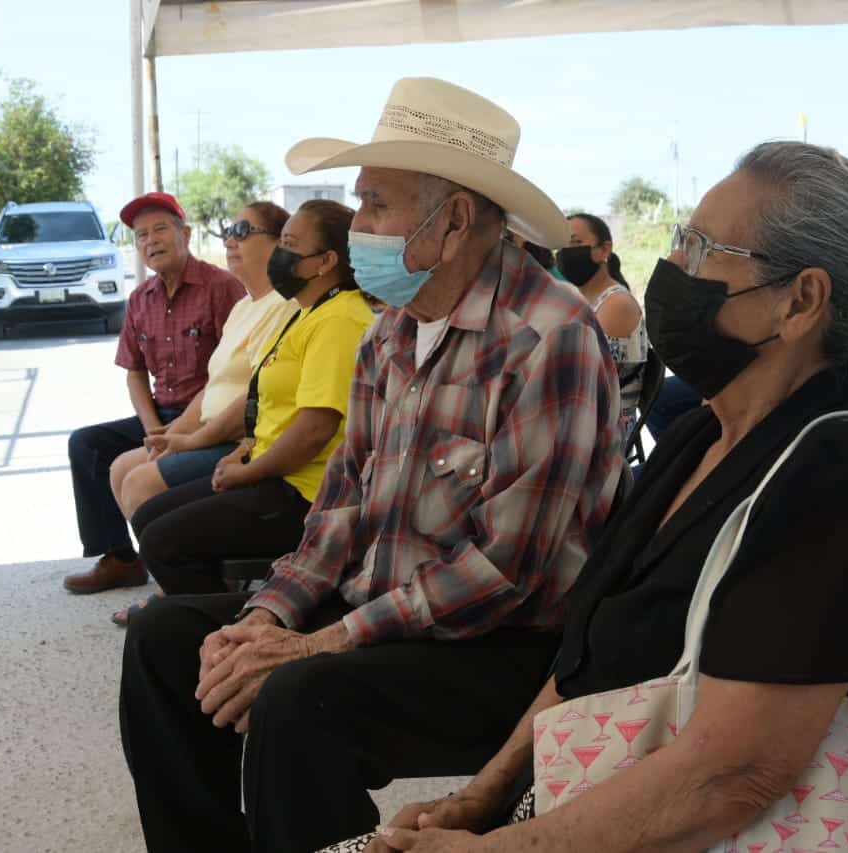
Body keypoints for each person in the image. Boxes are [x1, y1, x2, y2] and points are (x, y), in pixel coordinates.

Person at [332, 141, 848, 853]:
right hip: (583, 801)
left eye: (701, 246)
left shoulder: (840, 471)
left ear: (800, 302)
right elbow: (581, 663)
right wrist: (480, 798)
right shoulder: (696, 436)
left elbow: (732, 775)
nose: (672, 268)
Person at [119, 77, 625, 853]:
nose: (360, 228)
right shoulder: (391, 333)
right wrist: (266, 617)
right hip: (387, 612)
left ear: (453, 221)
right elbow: (340, 510)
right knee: (165, 640)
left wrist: (318, 643)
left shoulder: (549, 335)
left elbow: (503, 571)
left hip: (507, 647)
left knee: (297, 695)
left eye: (377, 205)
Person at [120, 200, 373, 608]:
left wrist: (247, 472)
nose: (280, 254)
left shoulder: (340, 320)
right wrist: (243, 451)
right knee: (150, 517)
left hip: (306, 493)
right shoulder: (306, 313)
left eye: (289, 243)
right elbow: (266, 402)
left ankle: (222, 631)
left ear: (325, 261)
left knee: (163, 541)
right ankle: (220, 617)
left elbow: (315, 429)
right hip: (271, 469)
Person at [105, 201, 301, 624]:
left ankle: (185, 593)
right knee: (120, 465)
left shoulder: (283, 304)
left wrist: (191, 441)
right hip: (203, 424)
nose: (230, 239)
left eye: (243, 230)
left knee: (139, 482)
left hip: (239, 440)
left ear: (280, 242)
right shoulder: (247, 304)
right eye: (228, 230)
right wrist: (171, 433)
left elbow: (254, 397)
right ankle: (177, 582)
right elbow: (212, 387)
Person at [62, 192, 244, 595]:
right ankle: (121, 560)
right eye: (140, 235)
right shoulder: (140, 298)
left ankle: (187, 566)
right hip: (159, 414)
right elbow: (134, 373)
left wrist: (176, 432)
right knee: (87, 445)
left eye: (161, 228)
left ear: (186, 233)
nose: (150, 240)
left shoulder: (222, 288)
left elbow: (237, 369)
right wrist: (152, 427)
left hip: (210, 417)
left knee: (142, 468)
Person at [556, 213, 649, 443]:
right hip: (583, 419)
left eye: (576, 243)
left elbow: (587, 378)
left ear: (604, 250)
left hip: (604, 432)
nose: (566, 252)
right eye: (562, 245)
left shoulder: (616, 304)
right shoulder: (583, 301)